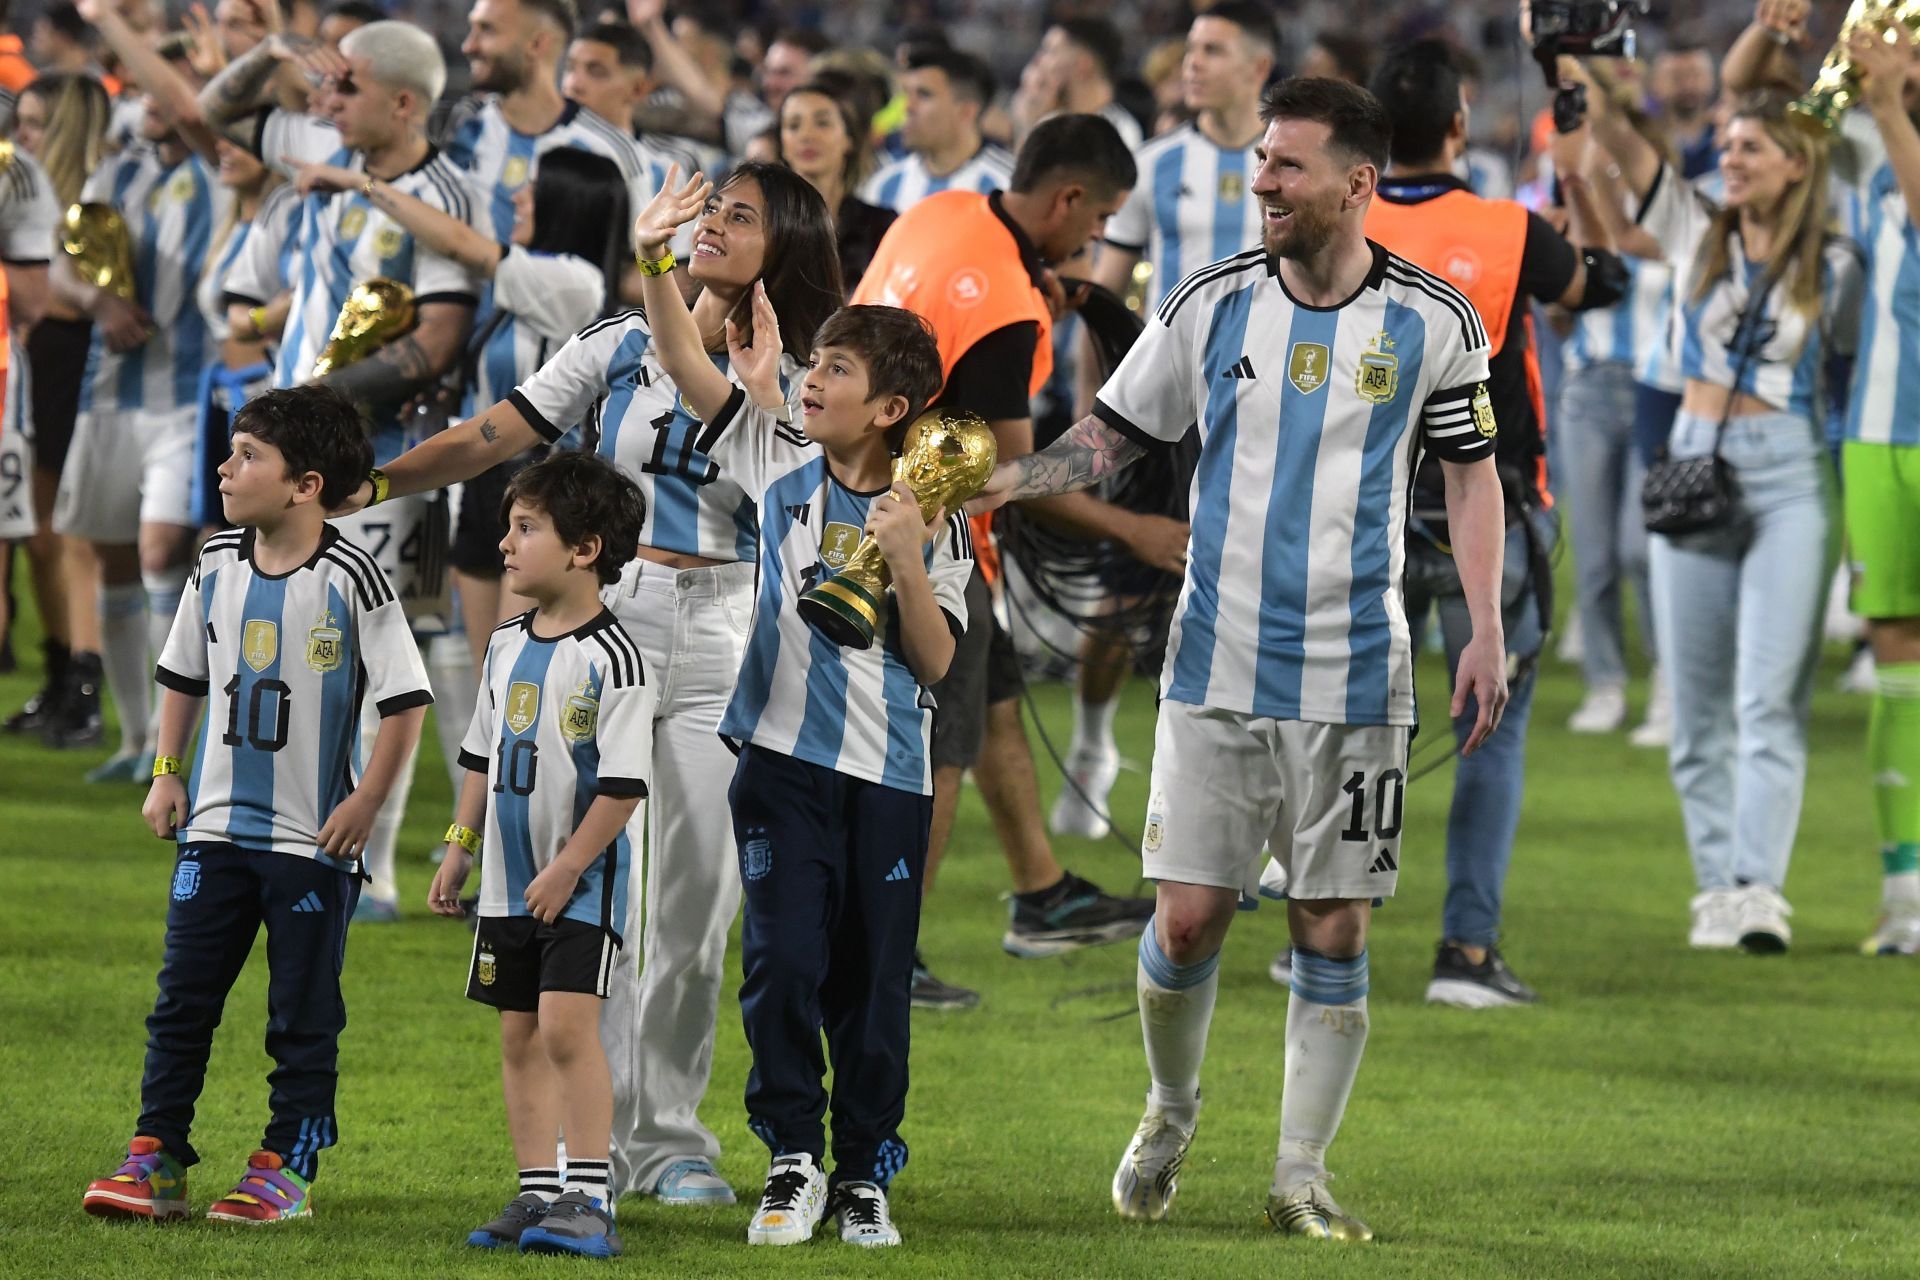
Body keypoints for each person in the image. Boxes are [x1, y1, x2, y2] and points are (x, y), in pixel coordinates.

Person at [971, 76, 1510, 1241]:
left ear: (1357, 184)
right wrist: (1008, 478)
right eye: (1261, 160)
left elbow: (1471, 475)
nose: (1261, 181)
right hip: (1214, 660)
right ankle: (1169, 1110)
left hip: (1361, 673)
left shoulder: (1436, 321)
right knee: (1186, 921)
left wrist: (1487, 627)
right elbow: (1113, 435)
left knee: (1335, 926)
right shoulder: (1210, 302)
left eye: (1286, 165)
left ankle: (1300, 1175)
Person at [328, 161, 841, 1204]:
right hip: (607, 625)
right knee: (591, 891)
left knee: (697, 902)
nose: (715, 227)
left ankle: (673, 1138)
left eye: (740, 217)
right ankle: (587, 1147)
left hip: (730, 633)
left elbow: (783, 480)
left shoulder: (800, 372)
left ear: (782, 244)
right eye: (709, 210)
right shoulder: (617, 344)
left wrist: (761, 381)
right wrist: (373, 483)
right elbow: (492, 435)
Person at [633, 169, 970, 1249]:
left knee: (872, 982)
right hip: (777, 764)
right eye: (811, 361)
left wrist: (910, 563)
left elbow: (935, 661)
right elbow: (688, 363)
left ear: (892, 408)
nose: (810, 378)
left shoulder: (935, 516)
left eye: (837, 368)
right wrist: (654, 264)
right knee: (779, 960)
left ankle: (865, 1168)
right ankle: (790, 1156)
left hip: (887, 776)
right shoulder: (772, 459)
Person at [79, 385, 431, 1224]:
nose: (224, 468)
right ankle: (155, 1156)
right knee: (181, 1001)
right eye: (231, 451)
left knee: (301, 1013)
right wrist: (168, 770)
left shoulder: (354, 575)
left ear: (306, 485)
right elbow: (185, 672)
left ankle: (287, 1166)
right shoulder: (216, 558)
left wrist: (368, 804)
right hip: (212, 833)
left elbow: (406, 702)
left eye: (247, 457)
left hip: (309, 841)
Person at [854, 113, 1157, 1006]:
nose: (1095, 240)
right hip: (925, 541)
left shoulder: (940, 211)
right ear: (1067, 199)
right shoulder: (1007, 307)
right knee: (940, 749)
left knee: (992, 710)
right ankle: (889, 956)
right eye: (1097, 222)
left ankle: (1040, 892)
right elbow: (1016, 478)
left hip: (855, 494)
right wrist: (1141, 534)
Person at [1362, 38, 1628, 1006]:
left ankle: (1323, 924)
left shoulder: (1332, 224)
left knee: (1346, 726)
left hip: (1364, 514)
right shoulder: (1509, 229)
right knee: (1489, 729)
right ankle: (1466, 954)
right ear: (1460, 124)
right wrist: (1572, 185)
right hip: (1490, 506)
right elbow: (1605, 285)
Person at [200, 19, 484, 921]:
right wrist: (281, 57)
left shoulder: (444, 193)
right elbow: (216, 108)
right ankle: (315, 839)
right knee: (311, 646)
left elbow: (436, 340)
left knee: (382, 652)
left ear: (404, 102)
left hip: (378, 455)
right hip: (304, 445)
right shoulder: (323, 151)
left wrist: (320, 415)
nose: (325, 99)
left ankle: (381, 870)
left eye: (345, 85)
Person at [1583, 69, 1861, 953]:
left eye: (1750, 147)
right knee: (1699, 707)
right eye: (1728, 144)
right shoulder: (1694, 227)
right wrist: (1575, 60)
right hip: (1695, 467)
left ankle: (1759, 889)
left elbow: (1849, 377)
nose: (1729, 158)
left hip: (1788, 477)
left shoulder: (1841, 259)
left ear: (1795, 164)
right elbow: (1622, 140)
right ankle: (1716, 888)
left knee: (1769, 697)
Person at [429, 451, 652, 1260]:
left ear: (585, 548)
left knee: (566, 1029)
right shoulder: (504, 644)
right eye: (508, 528)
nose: (506, 546)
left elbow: (624, 787)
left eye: (526, 529)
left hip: (579, 888)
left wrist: (566, 867)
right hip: (507, 888)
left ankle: (588, 1196)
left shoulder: (616, 659)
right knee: (518, 1034)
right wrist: (460, 846)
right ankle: (534, 1192)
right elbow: (483, 757)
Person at [1065, 0, 1277, 835]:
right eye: (1190, 48)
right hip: (1161, 418)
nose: (1192, 63)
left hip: (1267, 416)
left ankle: (1250, 794)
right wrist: (1095, 419)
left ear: (1258, 67)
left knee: (1255, 609)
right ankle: (1091, 742)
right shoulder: (1155, 167)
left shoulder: (1292, 164)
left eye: (1213, 50)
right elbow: (1105, 302)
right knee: (1119, 603)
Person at [292, 143, 629, 667]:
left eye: (534, 192)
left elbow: (458, 244)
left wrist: (362, 183)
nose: (518, 198)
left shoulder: (574, 281)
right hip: (487, 476)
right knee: (481, 660)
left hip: (544, 484)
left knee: (516, 662)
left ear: (568, 205)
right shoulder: (523, 287)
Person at [50, 52, 225, 786]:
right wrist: (99, 302)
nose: (149, 102)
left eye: (164, 89)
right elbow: (61, 262)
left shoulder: (220, 174)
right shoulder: (114, 173)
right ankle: (131, 737)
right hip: (110, 391)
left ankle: (165, 741)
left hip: (188, 393)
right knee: (115, 556)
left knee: (160, 552)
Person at [1806, 25, 1920, 955]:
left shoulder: (1895, 134)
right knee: (1897, 657)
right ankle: (1905, 891)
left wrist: (1885, 102)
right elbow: (1775, 122)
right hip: (1878, 433)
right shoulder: (1879, 143)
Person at [0, 75, 82, 744]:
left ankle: (69, 682)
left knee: (53, 535)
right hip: (14, 378)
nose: (24, 134)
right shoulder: (19, 174)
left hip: (62, 370)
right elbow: (28, 299)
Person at [860, 45, 1011, 216]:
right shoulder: (882, 184)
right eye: (906, 95)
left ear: (966, 111)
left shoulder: (1006, 186)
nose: (908, 106)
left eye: (924, 94)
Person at [777, 79, 892, 288]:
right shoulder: (764, 225)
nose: (806, 135)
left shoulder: (882, 227)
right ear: (782, 143)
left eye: (822, 123)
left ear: (849, 139)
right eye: (794, 125)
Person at [1011, 18, 1143, 152]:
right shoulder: (1050, 120)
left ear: (1082, 65)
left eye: (1051, 51)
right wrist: (1028, 125)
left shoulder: (1119, 131)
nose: (1039, 60)